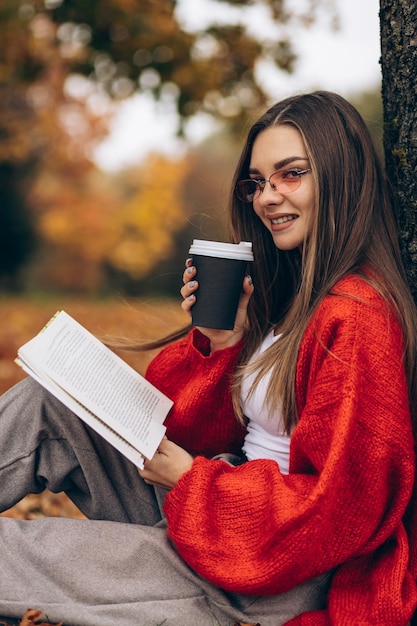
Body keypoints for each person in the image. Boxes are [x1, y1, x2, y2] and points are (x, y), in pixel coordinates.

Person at [1, 90, 417, 626]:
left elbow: (336, 515)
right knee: (48, 405)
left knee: (13, 554)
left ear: (340, 177)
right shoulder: (293, 296)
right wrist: (222, 344)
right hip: (222, 514)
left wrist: (192, 481)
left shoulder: (358, 318)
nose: (268, 197)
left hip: (276, 574)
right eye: (258, 182)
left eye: (291, 174)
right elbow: (201, 431)